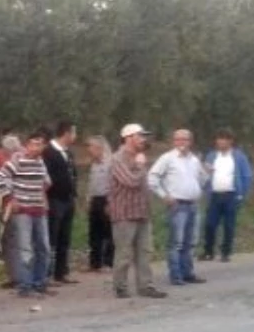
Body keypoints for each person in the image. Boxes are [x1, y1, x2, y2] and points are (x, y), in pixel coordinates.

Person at [108, 123, 167, 299]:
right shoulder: (117, 159)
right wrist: (140, 166)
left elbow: (143, 185)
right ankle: (121, 286)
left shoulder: (139, 156)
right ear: (128, 138)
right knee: (124, 253)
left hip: (142, 212)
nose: (143, 139)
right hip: (124, 213)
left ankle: (146, 285)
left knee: (145, 251)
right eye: (140, 136)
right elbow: (131, 182)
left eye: (144, 136)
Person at [0, 130, 55, 298]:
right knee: (25, 248)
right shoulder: (17, 160)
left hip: (39, 209)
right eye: (34, 144)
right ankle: (25, 285)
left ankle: (40, 282)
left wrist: (42, 195)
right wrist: (10, 197)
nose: (37, 148)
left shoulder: (40, 162)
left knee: (43, 247)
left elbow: (47, 181)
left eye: (41, 144)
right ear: (27, 145)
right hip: (23, 211)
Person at [147, 129, 208, 285]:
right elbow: (152, 177)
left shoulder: (194, 160)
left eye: (185, 139)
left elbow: (202, 180)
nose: (181, 142)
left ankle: (188, 272)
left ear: (190, 142)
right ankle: (176, 275)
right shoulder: (167, 158)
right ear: (173, 142)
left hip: (193, 204)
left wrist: (206, 174)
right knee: (176, 242)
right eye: (178, 139)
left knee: (190, 242)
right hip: (177, 205)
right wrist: (164, 195)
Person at [201, 129, 254, 262]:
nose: (221, 142)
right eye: (219, 139)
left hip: (232, 195)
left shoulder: (238, 157)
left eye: (224, 139)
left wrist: (242, 193)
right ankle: (208, 250)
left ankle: (226, 252)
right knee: (210, 224)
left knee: (229, 225)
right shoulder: (212, 156)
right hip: (215, 194)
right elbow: (204, 175)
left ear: (230, 141)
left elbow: (247, 175)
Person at [42, 121, 78, 285]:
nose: (75, 137)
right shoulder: (48, 152)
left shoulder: (68, 153)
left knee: (65, 237)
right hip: (54, 199)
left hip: (68, 199)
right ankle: (46, 274)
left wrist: (74, 194)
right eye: (74, 133)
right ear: (66, 133)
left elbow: (73, 175)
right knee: (51, 237)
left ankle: (61, 272)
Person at [0, 132, 24, 289]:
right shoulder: (27, 157)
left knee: (11, 241)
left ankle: (17, 276)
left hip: (10, 205)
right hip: (25, 205)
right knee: (18, 241)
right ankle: (21, 275)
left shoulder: (10, 162)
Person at [85, 136, 115, 272]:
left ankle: (108, 262)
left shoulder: (110, 163)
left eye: (91, 147)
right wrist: (88, 199)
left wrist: (110, 202)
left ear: (99, 148)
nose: (89, 150)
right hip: (95, 200)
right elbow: (91, 184)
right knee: (94, 232)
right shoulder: (94, 164)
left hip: (106, 199)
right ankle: (95, 263)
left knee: (108, 232)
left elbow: (114, 184)